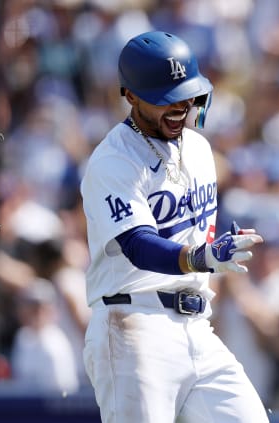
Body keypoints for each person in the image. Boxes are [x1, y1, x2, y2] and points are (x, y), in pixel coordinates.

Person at [80, 31, 268, 423]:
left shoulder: (198, 147)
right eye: (165, 96)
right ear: (130, 96)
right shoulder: (113, 160)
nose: (181, 105)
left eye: (186, 93)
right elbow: (138, 244)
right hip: (133, 326)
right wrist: (198, 258)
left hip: (198, 326)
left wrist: (214, 251)